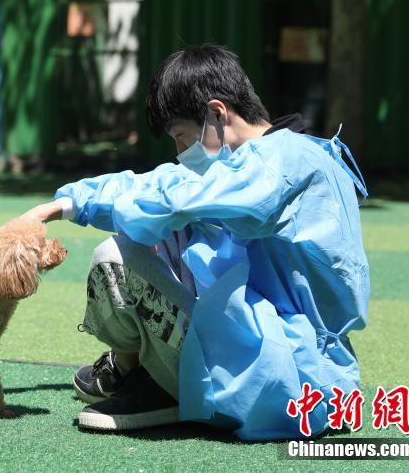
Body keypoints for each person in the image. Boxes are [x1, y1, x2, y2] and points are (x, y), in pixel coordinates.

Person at [23, 44, 369, 440]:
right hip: (296, 367)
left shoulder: (282, 164)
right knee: (170, 228)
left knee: (115, 256)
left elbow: (174, 196)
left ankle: (160, 382)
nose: (179, 152)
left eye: (181, 137)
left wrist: (72, 208)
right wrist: (62, 206)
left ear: (217, 114)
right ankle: (143, 369)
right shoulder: (279, 155)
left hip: (283, 379)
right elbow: (163, 183)